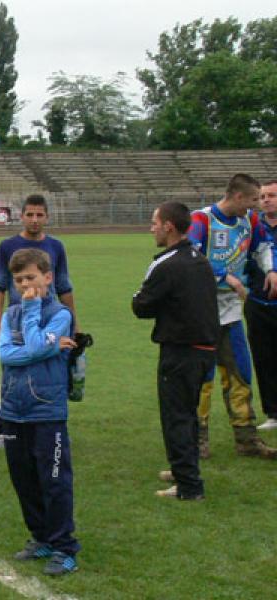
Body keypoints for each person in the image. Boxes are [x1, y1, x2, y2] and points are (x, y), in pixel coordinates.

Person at [0, 248, 80, 577]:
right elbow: (5, 354)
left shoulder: (61, 315)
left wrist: (33, 314)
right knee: (24, 479)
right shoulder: (9, 315)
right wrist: (46, 348)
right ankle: (41, 537)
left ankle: (64, 547)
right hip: (12, 411)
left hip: (46, 412)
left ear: (48, 277)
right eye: (18, 280)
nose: (24, 285)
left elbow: (30, 346)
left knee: (55, 480)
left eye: (30, 277)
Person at [131, 201, 218, 500]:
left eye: (155, 223)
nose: (151, 229)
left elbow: (141, 306)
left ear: (168, 226)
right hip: (205, 349)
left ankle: (189, 486)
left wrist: (142, 298)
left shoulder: (166, 264)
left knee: (177, 416)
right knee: (189, 413)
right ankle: (183, 469)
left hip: (181, 351)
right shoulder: (199, 258)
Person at [188, 174, 277, 459]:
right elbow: (189, 255)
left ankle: (246, 438)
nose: (257, 205)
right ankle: (198, 440)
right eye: (253, 199)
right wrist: (223, 275)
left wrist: (271, 270)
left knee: (240, 372)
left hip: (231, 311)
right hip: (201, 310)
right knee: (203, 378)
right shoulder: (201, 219)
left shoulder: (249, 221)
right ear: (238, 196)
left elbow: (263, 247)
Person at [0, 195, 77, 446]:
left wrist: (75, 323)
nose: (34, 219)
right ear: (22, 216)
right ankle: (4, 428)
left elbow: (64, 285)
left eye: (39, 215)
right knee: (11, 374)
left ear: (47, 217)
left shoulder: (56, 246)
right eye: (30, 214)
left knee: (49, 371)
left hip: (48, 316)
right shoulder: (7, 246)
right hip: (17, 318)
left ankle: (51, 425)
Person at [247, 180, 277, 430]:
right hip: (257, 302)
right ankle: (273, 413)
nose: (266, 200)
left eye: (272, 195)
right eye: (262, 196)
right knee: (264, 358)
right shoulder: (251, 227)